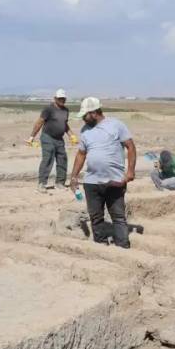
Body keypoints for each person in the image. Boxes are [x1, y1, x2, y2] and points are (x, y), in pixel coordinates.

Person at [68, 97, 136, 248]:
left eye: (85, 115)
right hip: (91, 181)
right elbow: (81, 154)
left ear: (93, 112)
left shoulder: (116, 125)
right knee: (96, 217)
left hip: (114, 180)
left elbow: (130, 146)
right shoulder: (85, 131)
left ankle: (123, 247)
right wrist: (73, 176)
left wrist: (130, 171)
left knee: (118, 217)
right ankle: (101, 247)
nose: (83, 119)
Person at [28, 88, 76, 193]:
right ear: (55, 98)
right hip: (47, 137)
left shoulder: (65, 110)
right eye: (60, 99)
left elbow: (65, 124)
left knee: (62, 159)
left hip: (59, 139)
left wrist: (71, 135)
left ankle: (60, 183)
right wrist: (32, 137)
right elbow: (39, 122)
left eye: (63, 99)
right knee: (48, 158)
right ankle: (42, 184)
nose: (62, 100)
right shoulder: (48, 109)